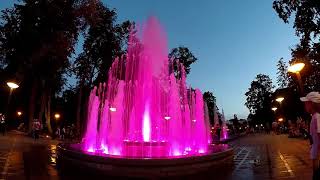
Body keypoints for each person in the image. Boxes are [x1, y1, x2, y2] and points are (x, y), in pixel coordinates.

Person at [300, 92, 320, 179]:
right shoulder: (314, 116)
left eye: (306, 103)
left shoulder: (317, 117)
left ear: (311, 103)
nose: (305, 105)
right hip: (315, 153)